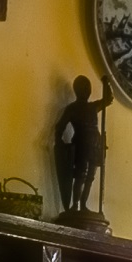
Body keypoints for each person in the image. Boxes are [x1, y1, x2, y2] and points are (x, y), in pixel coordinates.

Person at [54, 76, 108, 229]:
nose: (86, 91)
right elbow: (59, 127)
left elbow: (108, 99)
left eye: (87, 88)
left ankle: (83, 204)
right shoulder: (72, 108)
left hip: (95, 145)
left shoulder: (93, 107)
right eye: (83, 88)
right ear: (77, 90)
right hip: (81, 144)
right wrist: (60, 143)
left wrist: (107, 83)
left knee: (91, 175)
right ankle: (75, 205)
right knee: (80, 175)